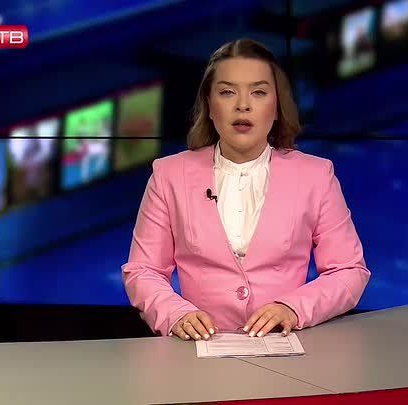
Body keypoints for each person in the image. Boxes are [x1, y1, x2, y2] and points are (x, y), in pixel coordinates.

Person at [122, 39, 371, 341]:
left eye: (259, 92)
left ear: (277, 107)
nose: (243, 105)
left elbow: (349, 270)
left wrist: (293, 309)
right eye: (227, 92)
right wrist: (176, 314)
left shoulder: (316, 176)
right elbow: (143, 271)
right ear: (209, 105)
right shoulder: (169, 175)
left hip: (286, 349)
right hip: (196, 351)